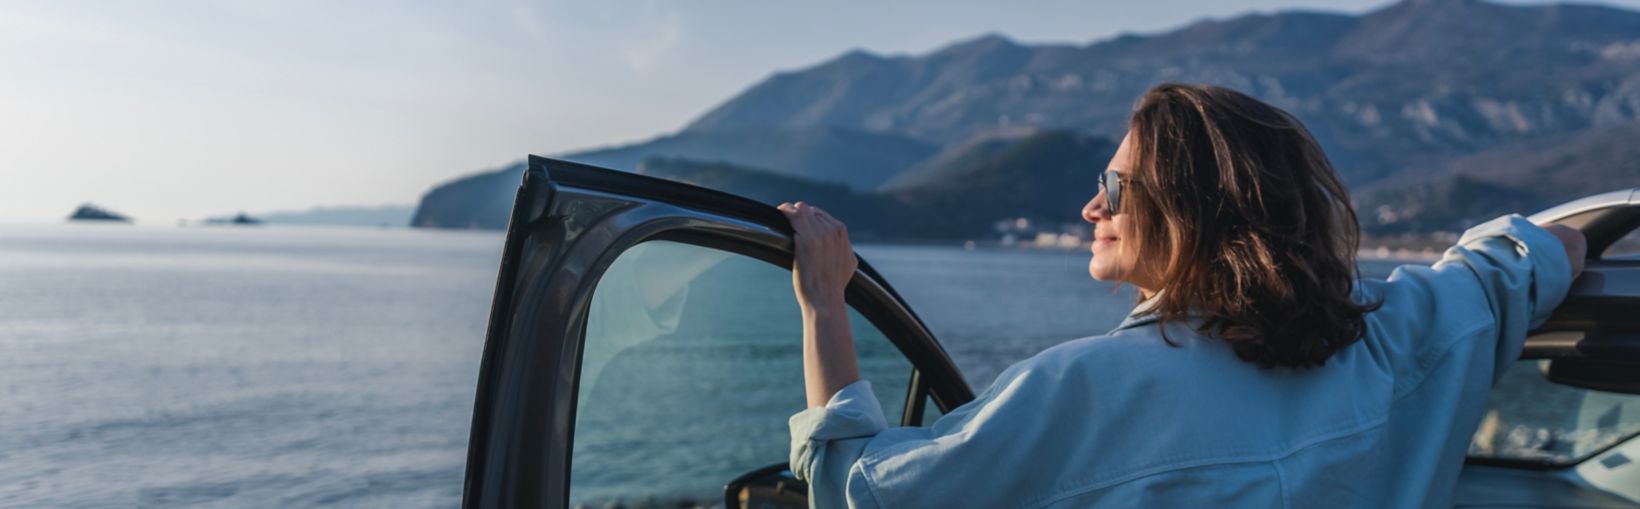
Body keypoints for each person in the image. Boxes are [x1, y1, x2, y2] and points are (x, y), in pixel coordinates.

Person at [775, 83, 1587, 508]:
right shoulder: (1400, 336)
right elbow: (1539, 249)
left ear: (1192, 206)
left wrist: (824, 302)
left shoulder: (1083, 392)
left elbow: (858, 492)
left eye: (1113, 185)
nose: (1093, 208)